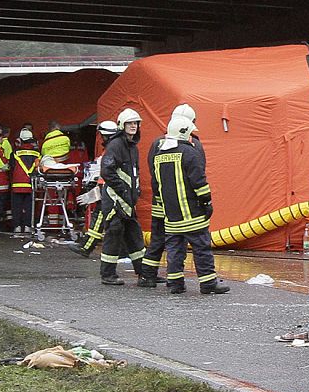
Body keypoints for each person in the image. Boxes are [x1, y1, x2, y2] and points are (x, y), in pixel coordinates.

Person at [152, 115, 229, 295]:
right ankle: (208, 283)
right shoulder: (189, 152)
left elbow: (157, 185)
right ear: (184, 132)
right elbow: (199, 182)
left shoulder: (159, 155)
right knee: (201, 248)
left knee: (174, 250)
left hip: (171, 216)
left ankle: (175, 283)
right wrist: (206, 202)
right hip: (192, 214)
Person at [96, 109, 153, 287]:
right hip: (116, 200)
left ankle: (144, 273)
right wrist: (123, 191)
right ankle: (108, 274)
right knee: (114, 235)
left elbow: (133, 173)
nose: (133, 126)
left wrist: (134, 193)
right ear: (122, 125)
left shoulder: (132, 146)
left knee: (134, 236)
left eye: (136, 123)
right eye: (130, 123)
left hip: (127, 200)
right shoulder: (116, 145)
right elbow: (107, 171)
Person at [141, 105, 197, 285]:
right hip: (184, 205)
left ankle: (147, 275)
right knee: (180, 241)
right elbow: (198, 173)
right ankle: (175, 278)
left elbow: (154, 172)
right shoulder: (192, 145)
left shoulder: (158, 143)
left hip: (160, 200)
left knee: (158, 238)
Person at [76, 120, 119, 255]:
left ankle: (86, 247)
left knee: (99, 216)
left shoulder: (111, 150)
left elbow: (109, 172)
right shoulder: (117, 148)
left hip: (109, 189)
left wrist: (99, 189)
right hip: (112, 188)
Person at [9, 125, 41, 236]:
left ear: (21, 140)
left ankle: (17, 226)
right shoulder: (37, 153)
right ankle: (28, 226)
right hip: (30, 184)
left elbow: (11, 167)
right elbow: (38, 168)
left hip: (17, 184)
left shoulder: (15, 153)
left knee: (16, 206)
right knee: (29, 206)